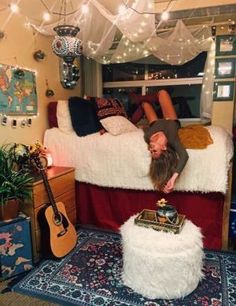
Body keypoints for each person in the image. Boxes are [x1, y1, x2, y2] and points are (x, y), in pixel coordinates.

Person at [132, 89, 189, 194]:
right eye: (155, 151)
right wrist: (173, 179)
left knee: (144, 104)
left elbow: (147, 129)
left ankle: (138, 104)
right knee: (163, 93)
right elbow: (184, 156)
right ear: (163, 148)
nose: (151, 150)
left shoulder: (147, 137)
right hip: (170, 120)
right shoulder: (172, 139)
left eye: (151, 152)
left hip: (154, 123)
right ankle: (139, 98)